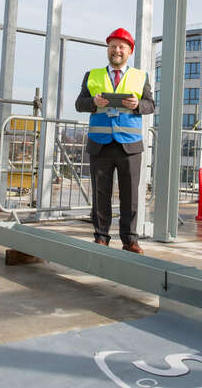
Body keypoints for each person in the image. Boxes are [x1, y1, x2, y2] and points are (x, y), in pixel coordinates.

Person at [75, 27, 154, 254]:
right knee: (101, 193)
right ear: (107, 50)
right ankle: (101, 236)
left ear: (129, 51)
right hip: (100, 143)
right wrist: (94, 103)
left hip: (129, 144)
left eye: (121, 47)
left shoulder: (140, 77)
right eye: (112, 47)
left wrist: (137, 106)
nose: (116, 50)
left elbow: (151, 105)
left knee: (130, 195)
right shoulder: (92, 75)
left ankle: (130, 240)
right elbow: (79, 104)